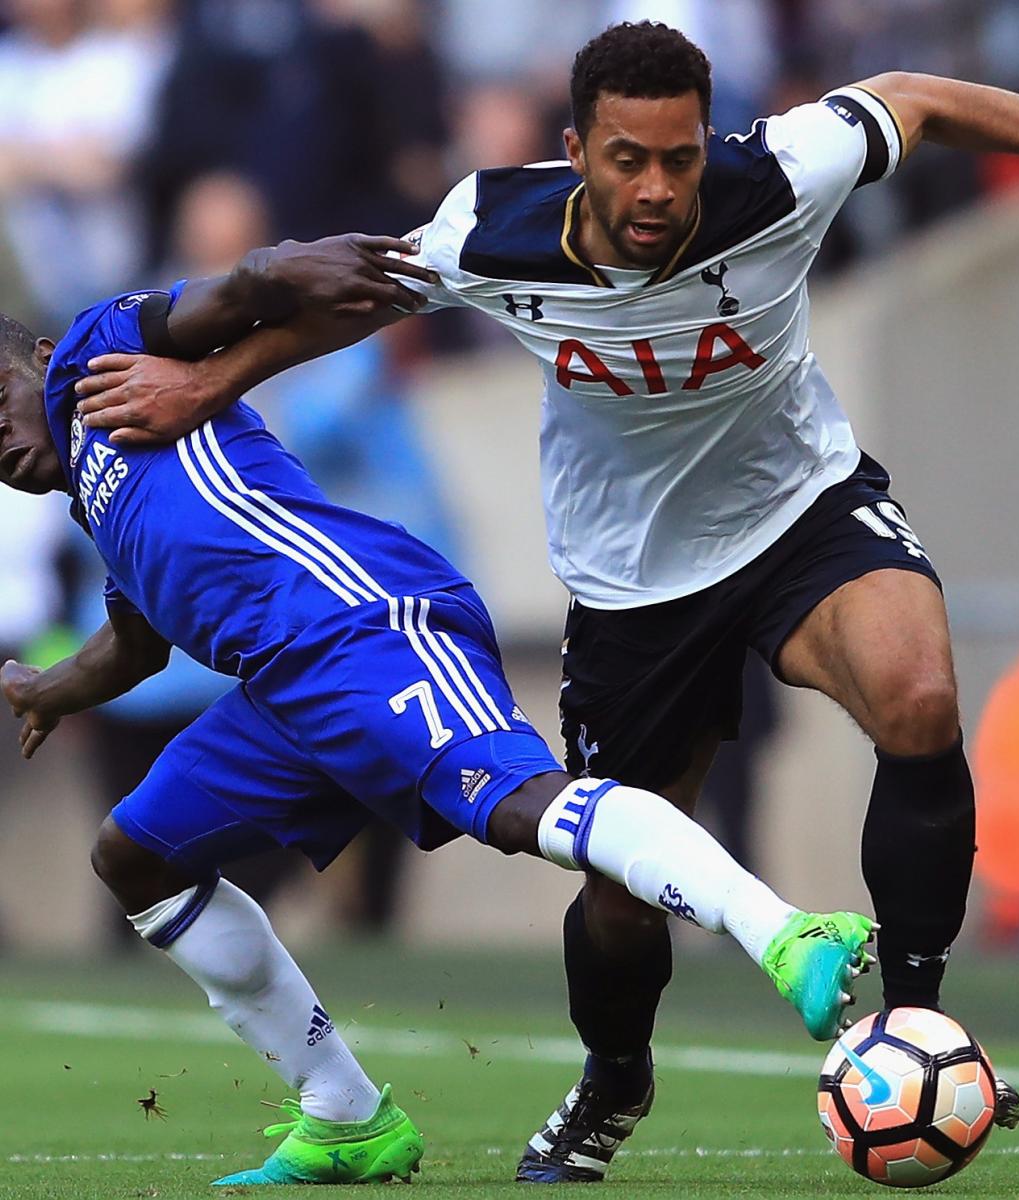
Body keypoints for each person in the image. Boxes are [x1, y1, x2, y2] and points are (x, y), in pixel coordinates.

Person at [73, 21, 1019, 1182]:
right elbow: (352, 303)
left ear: (707, 141)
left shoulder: (782, 171)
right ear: (578, 150)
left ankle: (912, 1027)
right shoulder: (492, 226)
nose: (657, 188)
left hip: (799, 512)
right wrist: (206, 378)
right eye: (627, 160)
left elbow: (931, 96)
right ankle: (614, 1079)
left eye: (679, 157)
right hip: (633, 584)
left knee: (918, 696)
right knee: (622, 898)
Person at [0, 232, 875, 1186]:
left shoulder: (96, 350)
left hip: (363, 623)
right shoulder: (102, 503)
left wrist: (297, 264)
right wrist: (48, 689)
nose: (2, 445)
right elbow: (136, 641)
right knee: (135, 854)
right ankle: (344, 1114)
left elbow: (233, 294)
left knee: (519, 805)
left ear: (37, 359)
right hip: (282, 689)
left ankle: (785, 930)